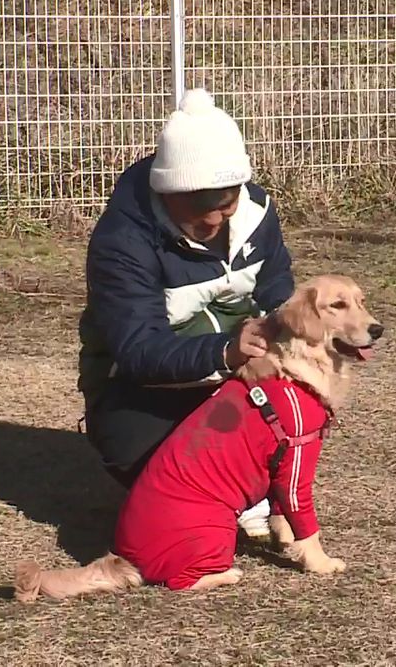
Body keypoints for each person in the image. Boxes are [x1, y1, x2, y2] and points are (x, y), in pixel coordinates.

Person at [77, 88, 295, 538]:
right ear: (167, 193)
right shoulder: (123, 242)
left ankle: (251, 484)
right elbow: (137, 350)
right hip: (142, 385)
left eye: (226, 202)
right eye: (198, 207)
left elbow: (278, 290)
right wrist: (226, 352)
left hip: (238, 371)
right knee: (141, 455)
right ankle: (211, 488)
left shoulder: (259, 213)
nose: (214, 220)